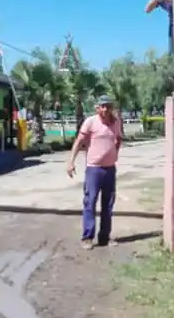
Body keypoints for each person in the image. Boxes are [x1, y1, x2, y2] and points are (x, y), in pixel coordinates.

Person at [67, 95, 123, 249]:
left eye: (108, 106)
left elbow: (118, 139)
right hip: (94, 169)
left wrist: (115, 153)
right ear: (97, 108)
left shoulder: (116, 122)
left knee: (108, 204)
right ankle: (87, 237)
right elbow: (79, 141)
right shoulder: (90, 122)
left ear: (112, 108)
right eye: (102, 106)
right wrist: (71, 162)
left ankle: (104, 237)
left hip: (110, 169)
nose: (105, 109)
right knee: (90, 202)